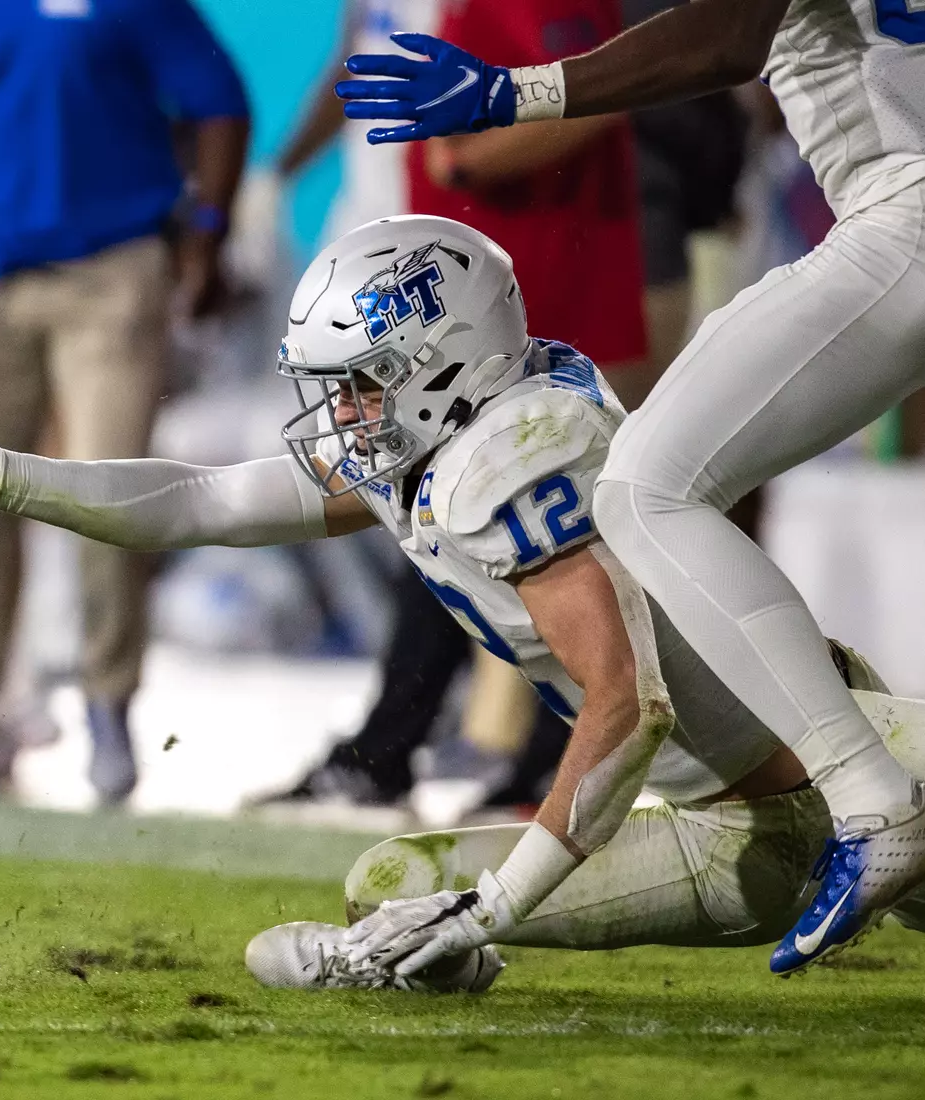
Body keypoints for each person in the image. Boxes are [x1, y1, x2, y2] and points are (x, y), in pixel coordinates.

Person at [0, 215, 925, 991]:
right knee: (391, 882)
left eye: (361, 383)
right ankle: (437, 956)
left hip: (794, 788)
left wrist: (493, 907)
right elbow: (200, 498)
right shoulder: (442, 436)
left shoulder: (511, 459)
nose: (341, 412)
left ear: (443, 361)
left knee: (434, 899)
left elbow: (627, 701)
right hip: (749, 790)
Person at [331, 0, 925, 974]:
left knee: (644, 483)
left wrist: (509, 92)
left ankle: (865, 792)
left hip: (900, 215)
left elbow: (725, 35)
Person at [0, 0, 251, 806]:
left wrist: (207, 233)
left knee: (109, 491)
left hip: (116, 269)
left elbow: (219, 100)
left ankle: (107, 701)